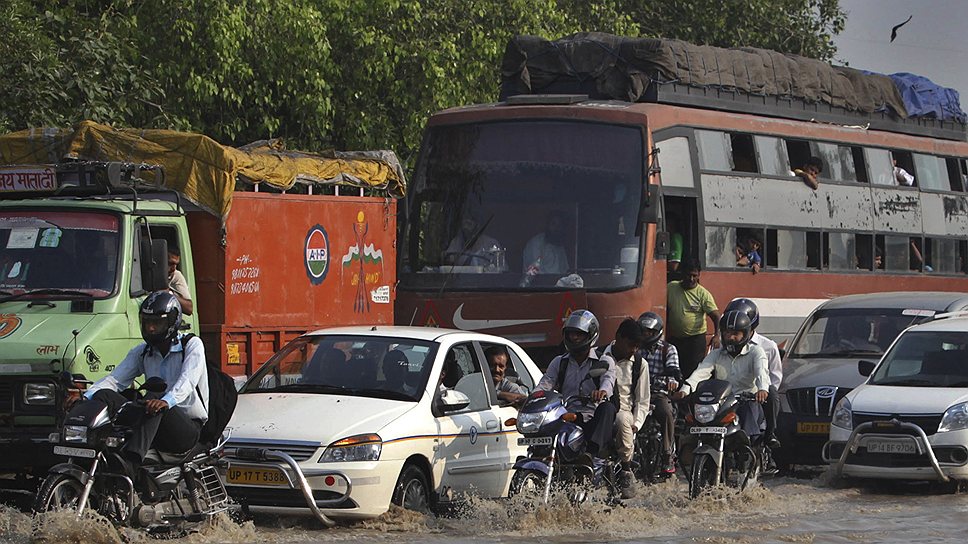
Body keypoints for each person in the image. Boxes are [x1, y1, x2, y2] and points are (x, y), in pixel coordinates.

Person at [80, 292, 208, 464]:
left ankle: (131, 461)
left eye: (157, 323)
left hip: (186, 428)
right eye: (147, 323)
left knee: (154, 395)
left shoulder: (192, 345)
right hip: (152, 420)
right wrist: (84, 397)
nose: (151, 329)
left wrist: (166, 401)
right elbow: (115, 380)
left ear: (171, 322)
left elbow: (187, 382)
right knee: (104, 394)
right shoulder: (142, 351)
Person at [535, 309, 617, 463]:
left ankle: (593, 455)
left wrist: (601, 392)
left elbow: (608, 382)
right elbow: (545, 384)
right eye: (571, 334)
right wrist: (532, 398)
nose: (574, 338)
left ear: (590, 335)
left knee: (607, 408)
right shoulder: (559, 362)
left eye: (579, 334)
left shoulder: (604, 361)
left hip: (592, 418)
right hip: (566, 416)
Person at [674, 310, 769, 441]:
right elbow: (701, 372)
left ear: (746, 334)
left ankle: (749, 451)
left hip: (745, 401)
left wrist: (762, 389)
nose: (730, 337)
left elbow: (761, 371)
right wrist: (685, 389)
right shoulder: (716, 354)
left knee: (748, 429)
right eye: (727, 333)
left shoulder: (755, 352)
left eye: (736, 334)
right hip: (723, 403)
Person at [725, 298, 782, 451]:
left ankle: (770, 433)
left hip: (754, 397)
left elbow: (774, 377)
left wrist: (760, 393)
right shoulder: (723, 345)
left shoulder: (767, 347)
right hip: (727, 396)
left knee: (772, 392)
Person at [604, 318, 649, 498]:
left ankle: (626, 469)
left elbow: (643, 400)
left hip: (624, 411)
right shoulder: (598, 355)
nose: (633, 350)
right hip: (598, 409)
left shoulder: (640, 364)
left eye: (637, 347)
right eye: (631, 345)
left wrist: (636, 424)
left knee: (623, 420)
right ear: (618, 337)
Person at [637, 311, 681, 475]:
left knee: (666, 413)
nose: (646, 335)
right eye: (644, 331)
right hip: (638, 395)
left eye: (650, 332)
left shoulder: (668, 349)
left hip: (659, 394)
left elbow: (674, 372)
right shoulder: (636, 349)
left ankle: (667, 453)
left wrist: (671, 382)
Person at [666, 258, 721, 378]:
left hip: (695, 341)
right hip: (675, 339)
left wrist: (717, 335)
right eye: (688, 275)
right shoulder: (671, 288)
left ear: (698, 275)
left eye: (694, 275)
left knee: (693, 373)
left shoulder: (703, 294)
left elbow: (716, 316)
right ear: (682, 273)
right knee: (675, 371)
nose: (691, 279)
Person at [167, 247, 193, 316]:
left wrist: (168, 294)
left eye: (176, 264)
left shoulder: (176, 275)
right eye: (170, 263)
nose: (173, 268)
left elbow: (189, 308)